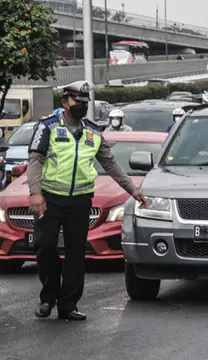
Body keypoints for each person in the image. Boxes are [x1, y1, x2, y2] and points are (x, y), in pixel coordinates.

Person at [27, 81, 147, 320]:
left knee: (75, 253)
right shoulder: (47, 126)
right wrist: (35, 192)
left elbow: (110, 163)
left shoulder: (92, 130)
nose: (80, 106)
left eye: (84, 103)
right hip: (50, 199)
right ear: (64, 103)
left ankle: (68, 304)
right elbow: (35, 159)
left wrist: (132, 190)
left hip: (80, 200)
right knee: (46, 246)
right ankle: (48, 297)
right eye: (76, 102)